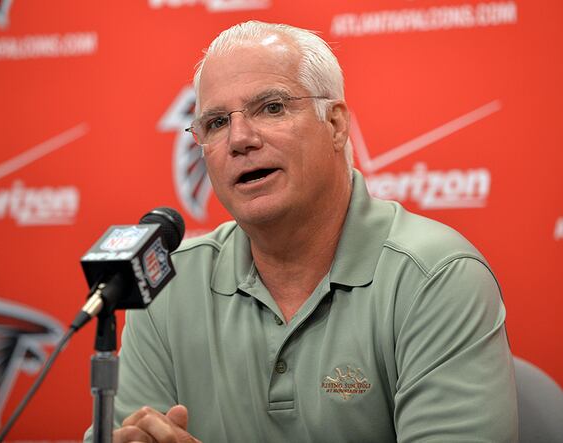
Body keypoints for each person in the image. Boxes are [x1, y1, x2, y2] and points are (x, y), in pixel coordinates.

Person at [85, 21, 518, 442]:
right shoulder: (168, 287)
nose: (239, 138)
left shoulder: (435, 277)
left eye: (271, 108)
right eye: (216, 122)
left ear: (335, 125)